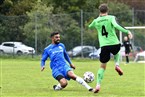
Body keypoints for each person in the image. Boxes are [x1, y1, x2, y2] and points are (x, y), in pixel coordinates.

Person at [88, 3, 133, 93]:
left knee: (103, 66)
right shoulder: (111, 17)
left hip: (104, 46)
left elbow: (90, 26)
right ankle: (117, 65)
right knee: (117, 52)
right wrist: (127, 31)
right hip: (114, 43)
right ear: (107, 11)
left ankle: (98, 85)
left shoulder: (96, 20)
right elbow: (116, 26)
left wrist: (98, 18)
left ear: (99, 11)